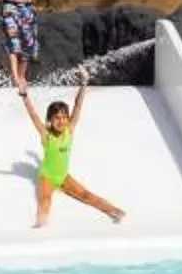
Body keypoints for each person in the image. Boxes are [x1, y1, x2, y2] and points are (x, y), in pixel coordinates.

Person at [19, 83, 125, 229]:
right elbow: (34, 116)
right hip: (47, 177)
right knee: (45, 199)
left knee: (86, 195)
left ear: (68, 119)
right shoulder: (47, 136)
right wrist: (25, 97)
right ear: (50, 121)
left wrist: (83, 85)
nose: (61, 121)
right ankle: (41, 223)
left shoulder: (69, 131)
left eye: (64, 117)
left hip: (63, 177)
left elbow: (77, 106)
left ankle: (113, 210)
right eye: (56, 118)